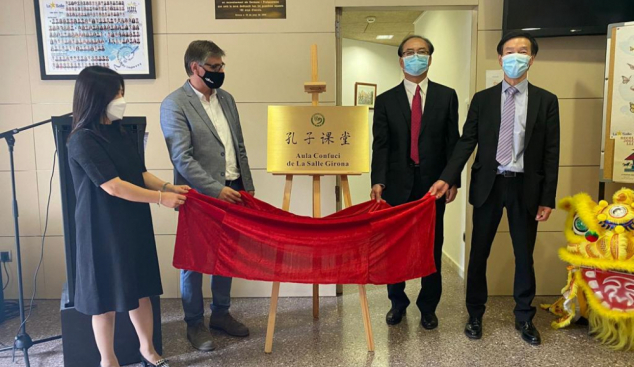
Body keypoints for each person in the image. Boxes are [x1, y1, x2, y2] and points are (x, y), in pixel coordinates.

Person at [429, 31, 560, 345]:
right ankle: (475, 314)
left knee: (523, 255)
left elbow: (551, 152)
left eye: (522, 51)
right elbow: (466, 143)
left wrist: (548, 197)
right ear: (500, 58)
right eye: (509, 51)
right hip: (489, 185)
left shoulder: (546, 100)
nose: (516, 56)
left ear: (532, 58)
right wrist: (447, 176)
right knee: (479, 254)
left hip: (526, 188)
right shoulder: (483, 99)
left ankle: (524, 317)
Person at [68, 66, 190, 367]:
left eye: (122, 92)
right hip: (100, 229)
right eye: (116, 93)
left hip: (132, 223)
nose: (121, 99)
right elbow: (113, 186)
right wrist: (162, 199)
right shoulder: (82, 139)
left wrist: (167, 186)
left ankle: (148, 350)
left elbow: (139, 173)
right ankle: (108, 360)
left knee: (141, 290)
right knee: (104, 301)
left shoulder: (119, 131)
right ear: (97, 97)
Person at [160, 40, 255, 351]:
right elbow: (182, 158)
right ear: (194, 67)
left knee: (227, 256)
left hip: (234, 189)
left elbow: (238, 145)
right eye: (213, 67)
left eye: (221, 66)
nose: (220, 72)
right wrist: (216, 189)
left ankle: (221, 314)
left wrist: (247, 186)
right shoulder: (175, 103)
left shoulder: (226, 99)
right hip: (200, 196)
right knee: (195, 262)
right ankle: (194, 324)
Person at [371, 35, 460, 330]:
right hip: (396, 184)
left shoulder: (447, 96)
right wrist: (378, 180)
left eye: (421, 52)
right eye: (409, 52)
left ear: (430, 59)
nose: (415, 56)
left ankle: (428, 306)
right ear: (400, 60)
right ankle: (397, 303)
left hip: (433, 185)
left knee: (431, 247)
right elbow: (380, 145)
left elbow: (453, 143)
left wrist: (452, 180)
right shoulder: (385, 100)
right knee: (395, 248)